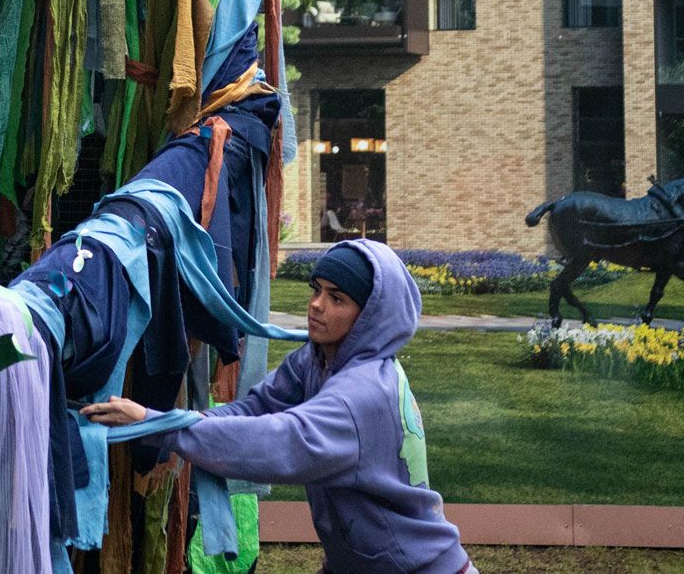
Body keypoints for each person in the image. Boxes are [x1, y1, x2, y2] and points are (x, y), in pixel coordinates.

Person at [84, 239, 472, 574]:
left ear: (369, 315)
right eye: (316, 289)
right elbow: (257, 409)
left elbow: (275, 442)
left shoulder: (361, 396)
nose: (317, 306)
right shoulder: (320, 359)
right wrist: (186, 420)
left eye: (336, 298)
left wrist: (160, 426)